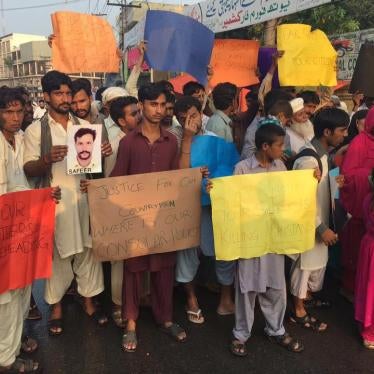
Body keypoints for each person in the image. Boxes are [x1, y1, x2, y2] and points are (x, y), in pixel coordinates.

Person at [23, 70, 108, 336]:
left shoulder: (82, 126)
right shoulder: (37, 130)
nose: (65, 98)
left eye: (68, 93)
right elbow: (28, 168)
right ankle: (56, 308)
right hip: (56, 203)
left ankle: (88, 302)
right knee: (58, 256)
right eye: (58, 93)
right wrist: (46, 159)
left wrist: (104, 153)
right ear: (46, 96)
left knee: (87, 252)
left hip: (83, 199)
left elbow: (94, 167)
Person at [211, 122, 303, 356]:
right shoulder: (242, 169)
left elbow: (289, 196)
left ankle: (276, 329)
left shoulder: (281, 166)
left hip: (272, 238)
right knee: (247, 288)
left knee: (276, 286)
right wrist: (217, 190)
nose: (283, 149)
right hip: (249, 239)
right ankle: (241, 333)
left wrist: (310, 179)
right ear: (265, 146)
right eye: (279, 145)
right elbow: (232, 201)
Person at [110, 83, 186, 352]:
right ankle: (131, 323)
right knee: (133, 269)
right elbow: (117, 178)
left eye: (162, 104)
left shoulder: (172, 140)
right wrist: (97, 191)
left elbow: (177, 177)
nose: (158, 109)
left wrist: (196, 180)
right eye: (152, 104)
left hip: (162, 218)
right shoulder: (128, 142)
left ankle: (165, 319)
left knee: (164, 269)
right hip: (136, 218)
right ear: (141, 105)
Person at [0, 87, 59, 373]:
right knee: (7, 300)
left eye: (18, 111)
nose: (14, 117)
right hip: (5, 232)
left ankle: (12, 345)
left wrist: (46, 197)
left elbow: (26, 181)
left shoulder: (21, 139)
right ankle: (6, 360)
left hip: (22, 230)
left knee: (22, 294)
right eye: (8, 112)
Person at [290, 108, 349, 331]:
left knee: (314, 267)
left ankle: (305, 300)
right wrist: (321, 227)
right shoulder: (308, 160)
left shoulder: (322, 155)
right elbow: (301, 199)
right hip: (309, 225)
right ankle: (297, 311)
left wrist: (336, 183)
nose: (344, 135)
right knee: (304, 267)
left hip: (318, 222)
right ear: (327, 131)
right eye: (341, 131)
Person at [340, 108, 374, 299]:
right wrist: (368, 177)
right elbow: (346, 177)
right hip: (361, 209)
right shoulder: (359, 143)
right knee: (356, 253)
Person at [241, 89, 293, 159]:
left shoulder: (281, 127)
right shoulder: (255, 129)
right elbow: (247, 156)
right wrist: (271, 155)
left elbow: (286, 150)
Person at [355, 169, 374, 349]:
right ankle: (370, 331)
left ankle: (365, 323)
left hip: (368, 245)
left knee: (367, 288)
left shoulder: (368, 197)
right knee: (371, 289)